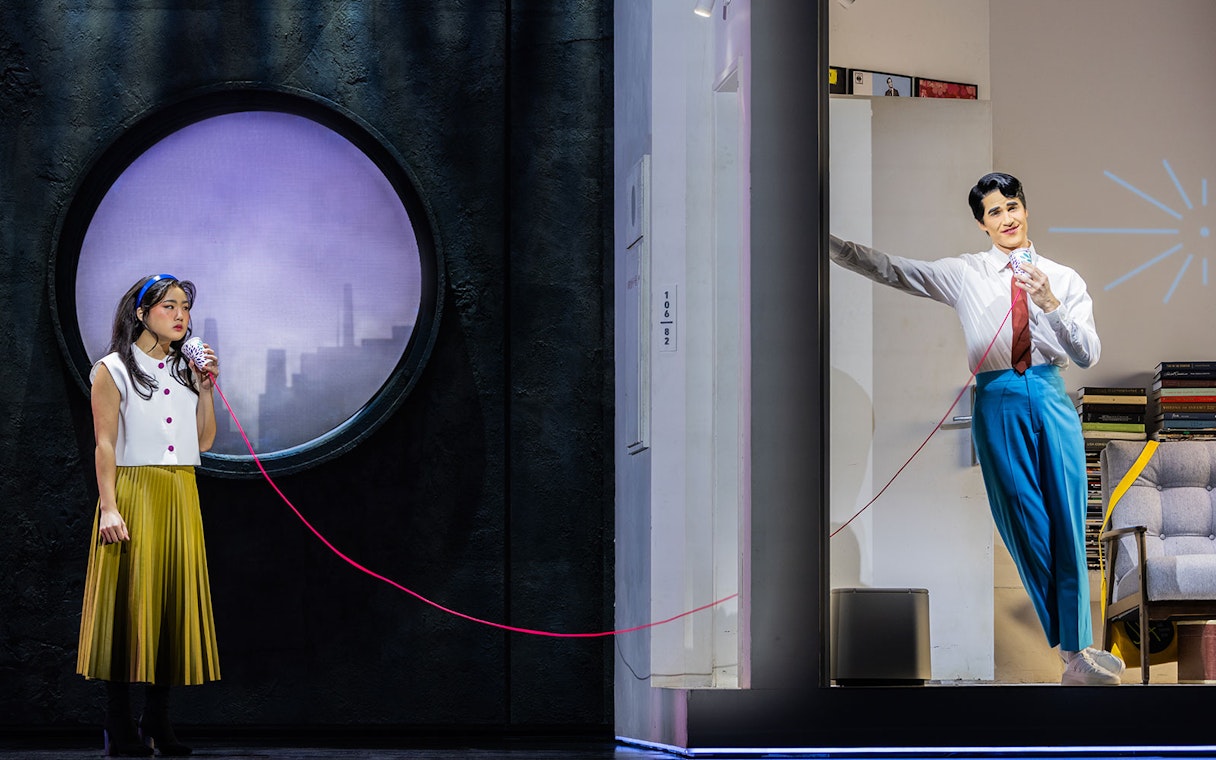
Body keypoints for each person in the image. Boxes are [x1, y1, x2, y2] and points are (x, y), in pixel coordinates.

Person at [829, 172, 1125, 686]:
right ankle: (1074, 648)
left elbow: (1087, 355)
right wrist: (829, 244)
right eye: (994, 212)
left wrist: (1050, 303)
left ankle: (1077, 653)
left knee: (1068, 524)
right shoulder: (965, 273)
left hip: (1051, 395)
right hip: (997, 398)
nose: (1006, 218)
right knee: (1026, 526)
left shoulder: (1063, 278)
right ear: (981, 224)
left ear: (1025, 209)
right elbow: (893, 270)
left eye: (1012, 207)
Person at [77, 274, 221, 755]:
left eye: (185, 307)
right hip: (133, 491)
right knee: (126, 603)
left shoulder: (185, 370)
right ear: (141, 314)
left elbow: (204, 442)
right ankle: (117, 722)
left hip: (180, 491)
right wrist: (109, 508)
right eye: (168, 306)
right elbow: (103, 444)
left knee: (170, 604)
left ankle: (157, 718)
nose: (180, 315)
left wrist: (205, 388)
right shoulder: (113, 369)